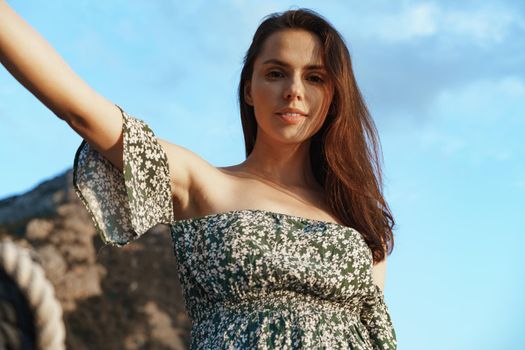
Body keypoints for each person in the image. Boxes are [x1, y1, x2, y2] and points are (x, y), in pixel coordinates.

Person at [0, 1, 397, 349]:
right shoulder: (203, 182)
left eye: (314, 78)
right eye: (276, 73)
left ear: (334, 96)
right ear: (248, 89)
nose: (294, 91)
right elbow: (81, 111)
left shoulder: (360, 218)